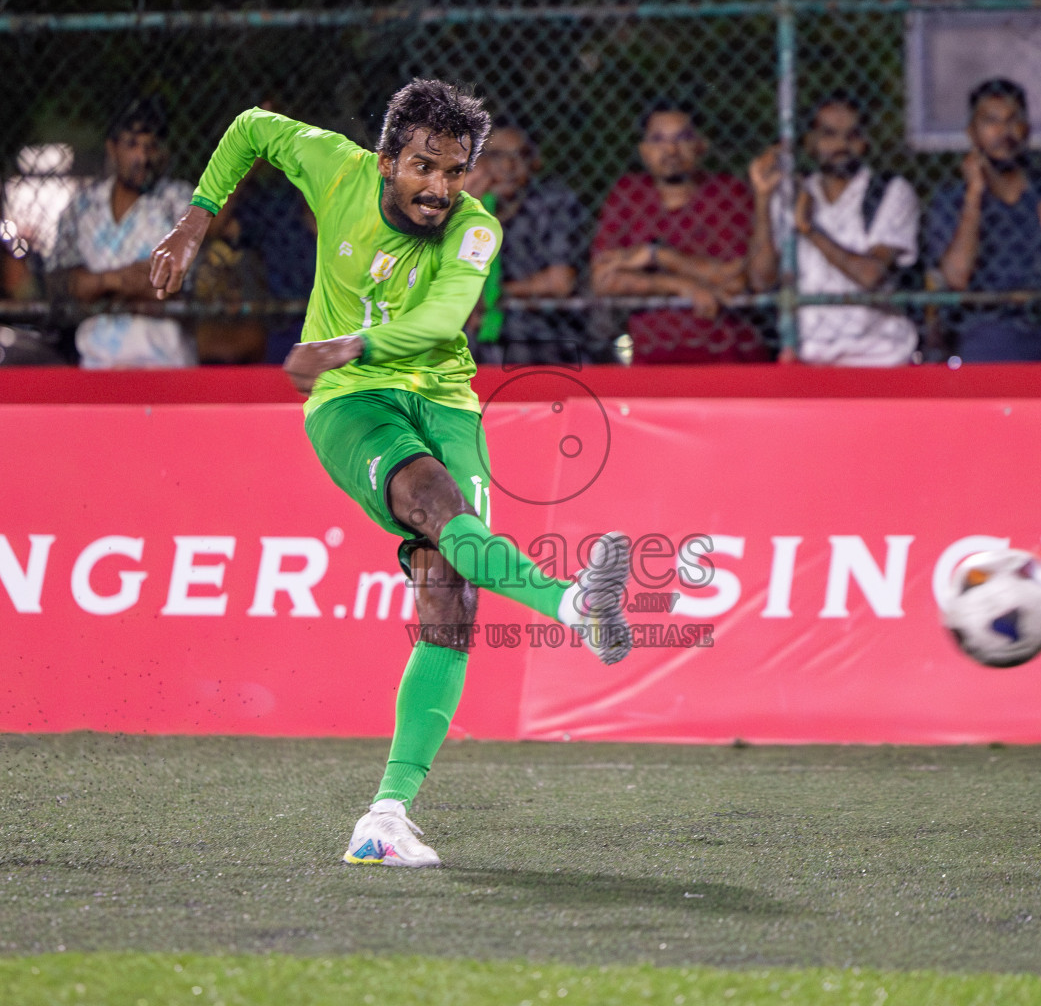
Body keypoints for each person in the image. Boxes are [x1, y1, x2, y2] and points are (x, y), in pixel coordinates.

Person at [147, 79, 634, 869]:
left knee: (454, 587)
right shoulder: (334, 168)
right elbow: (250, 126)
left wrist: (347, 344)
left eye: (455, 171)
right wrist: (194, 221)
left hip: (441, 399)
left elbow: (442, 324)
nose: (439, 187)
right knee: (437, 509)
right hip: (350, 403)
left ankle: (385, 817)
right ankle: (576, 604)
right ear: (384, 161)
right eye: (422, 167)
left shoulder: (476, 230)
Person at [925, 78, 1041, 361]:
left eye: (1013, 120)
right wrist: (974, 197)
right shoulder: (952, 201)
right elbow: (955, 278)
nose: (1004, 132)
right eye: (991, 121)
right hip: (987, 337)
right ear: (972, 133)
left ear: (1027, 129)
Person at [746, 93, 921, 366]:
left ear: (865, 142)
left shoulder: (888, 191)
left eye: (852, 135)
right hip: (809, 357)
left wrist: (810, 230)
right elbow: (760, 280)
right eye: (829, 134)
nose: (841, 145)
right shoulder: (792, 193)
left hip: (879, 357)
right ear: (809, 142)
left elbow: (870, 275)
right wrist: (763, 198)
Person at [591, 101, 766, 363]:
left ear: (701, 146)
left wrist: (658, 256)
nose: (671, 150)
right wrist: (682, 286)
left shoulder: (728, 193)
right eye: (658, 140)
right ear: (643, 150)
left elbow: (737, 280)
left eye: (682, 138)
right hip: (652, 358)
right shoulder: (628, 194)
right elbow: (604, 279)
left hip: (727, 355)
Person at [47, 96, 196, 368]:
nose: (142, 157)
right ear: (112, 149)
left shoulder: (178, 201)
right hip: (97, 364)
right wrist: (123, 280)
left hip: (165, 366)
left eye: (151, 147)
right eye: (132, 145)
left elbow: (168, 285)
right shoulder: (82, 207)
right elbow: (62, 283)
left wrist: (97, 284)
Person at [461, 118, 591, 364]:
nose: (508, 166)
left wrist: (495, 294)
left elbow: (559, 282)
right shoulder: (467, 206)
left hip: (542, 334)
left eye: (519, 156)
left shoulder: (553, 203)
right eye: (497, 156)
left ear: (535, 161)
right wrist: (467, 215)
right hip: (475, 337)